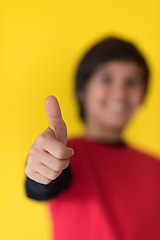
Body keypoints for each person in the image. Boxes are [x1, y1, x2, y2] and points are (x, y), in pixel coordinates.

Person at [25, 36, 160, 240]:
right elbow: (43, 184)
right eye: (107, 78)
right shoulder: (65, 153)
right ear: (81, 90)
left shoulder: (155, 166)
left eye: (131, 82)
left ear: (141, 96)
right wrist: (41, 171)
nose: (120, 92)